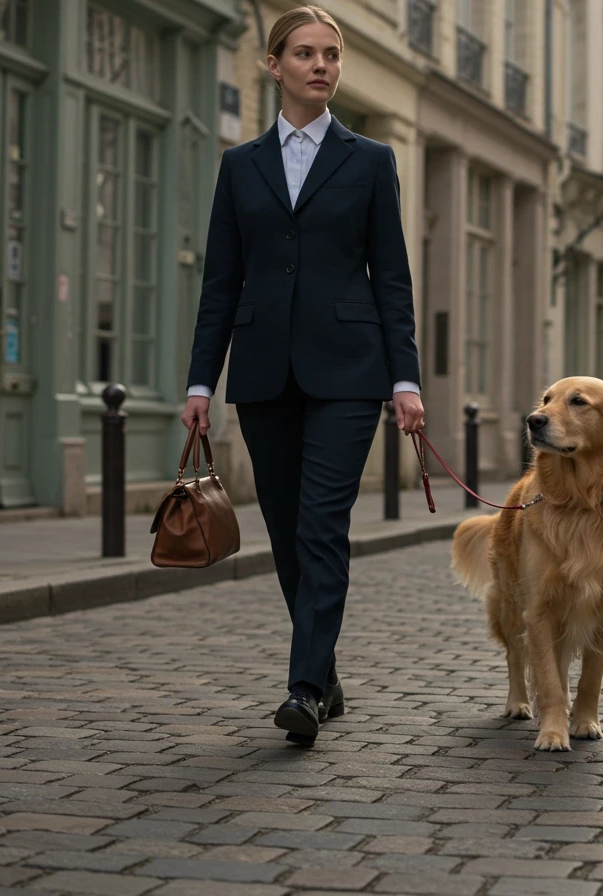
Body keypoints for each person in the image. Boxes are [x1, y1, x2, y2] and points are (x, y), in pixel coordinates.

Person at [180, 5, 424, 746]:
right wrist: (200, 383)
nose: (321, 65)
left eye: (331, 55)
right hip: (262, 370)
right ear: (274, 65)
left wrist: (405, 379)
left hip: (350, 372)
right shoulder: (239, 165)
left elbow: (393, 280)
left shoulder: (372, 161)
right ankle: (326, 668)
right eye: (305, 54)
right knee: (285, 531)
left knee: (322, 524)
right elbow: (221, 280)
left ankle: (304, 689)